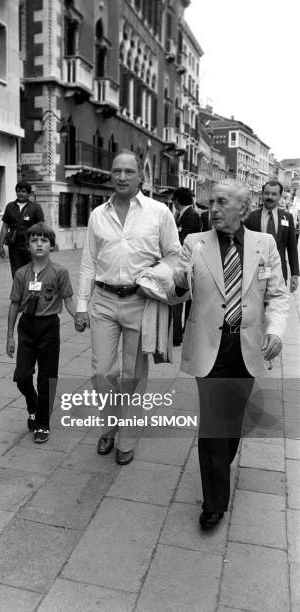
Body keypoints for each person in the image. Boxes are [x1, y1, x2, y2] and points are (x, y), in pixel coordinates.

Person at [172, 180, 289, 528]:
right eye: (210, 203)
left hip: (247, 346)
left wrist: (275, 331)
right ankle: (214, 503)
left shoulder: (264, 244)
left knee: (232, 422)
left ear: (243, 207)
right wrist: (178, 281)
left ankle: (222, 460)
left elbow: (279, 296)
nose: (214, 209)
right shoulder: (194, 243)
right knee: (212, 426)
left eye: (222, 202)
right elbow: (175, 292)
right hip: (208, 345)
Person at [75, 149, 181, 465]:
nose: (122, 177)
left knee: (134, 376)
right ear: (111, 174)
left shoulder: (159, 212)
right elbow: (88, 262)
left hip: (140, 302)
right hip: (104, 301)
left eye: (129, 172)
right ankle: (108, 425)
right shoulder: (98, 215)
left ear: (140, 177)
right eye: (117, 171)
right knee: (102, 372)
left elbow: (174, 255)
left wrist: (153, 275)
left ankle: (127, 438)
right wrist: (81, 305)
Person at [6, 222, 75, 443]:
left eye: (44, 240)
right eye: (34, 240)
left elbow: (69, 300)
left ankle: (42, 423)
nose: (39, 244)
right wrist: (9, 336)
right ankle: (33, 404)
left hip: (49, 327)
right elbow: (15, 304)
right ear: (27, 246)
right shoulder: (21, 274)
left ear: (51, 246)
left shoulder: (59, 272)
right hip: (26, 327)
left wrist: (80, 317)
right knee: (22, 376)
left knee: (47, 377)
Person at [245, 180, 299, 292]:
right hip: (256, 272)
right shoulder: (250, 217)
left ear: (280, 196)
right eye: (267, 193)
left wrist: (295, 274)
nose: (269, 197)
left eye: (274, 194)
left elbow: (292, 248)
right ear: (262, 194)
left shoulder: (287, 218)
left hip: (279, 270)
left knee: (278, 304)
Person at [172, 187, 201, 346]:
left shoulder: (192, 215)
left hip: (187, 265)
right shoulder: (183, 214)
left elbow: (186, 241)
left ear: (176, 200)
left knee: (183, 299)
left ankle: (182, 334)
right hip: (182, 263)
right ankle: (179, 334)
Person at [0, 182, 45, 278]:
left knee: (32, 272)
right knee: (16, 273)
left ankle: (31, 292)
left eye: (23, 191)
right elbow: (5, 226)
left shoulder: (35, 207)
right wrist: (0, 245)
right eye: (18, 191)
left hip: (30, 246)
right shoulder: (10, 206)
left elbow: (41, 227)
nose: (20, 193)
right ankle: (19, 292)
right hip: (14, 246)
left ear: (29, 194)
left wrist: (40, 245)